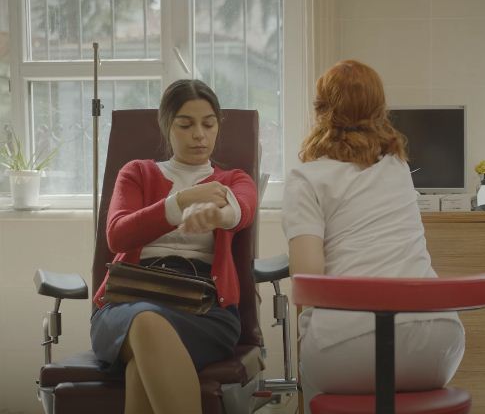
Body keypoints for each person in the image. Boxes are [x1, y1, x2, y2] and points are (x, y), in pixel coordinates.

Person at [282, 60, 465, 412]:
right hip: (438, 340)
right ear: (381, 111)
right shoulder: (397, 167)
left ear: (320, 111)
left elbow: (307, 282)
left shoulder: (305, 179)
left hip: (349, 346)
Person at [90, 79, 257, 414]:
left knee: (141, 367)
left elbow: (241, 210)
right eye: (186, 124)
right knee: (146, 322)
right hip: (127, 303)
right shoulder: (136, 173)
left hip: (205, 311)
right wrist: (181, 201)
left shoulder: (233, 180)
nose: (199, 135)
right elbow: (118, 236)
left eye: (208, 124)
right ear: (167, 125)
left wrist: (218, 214)